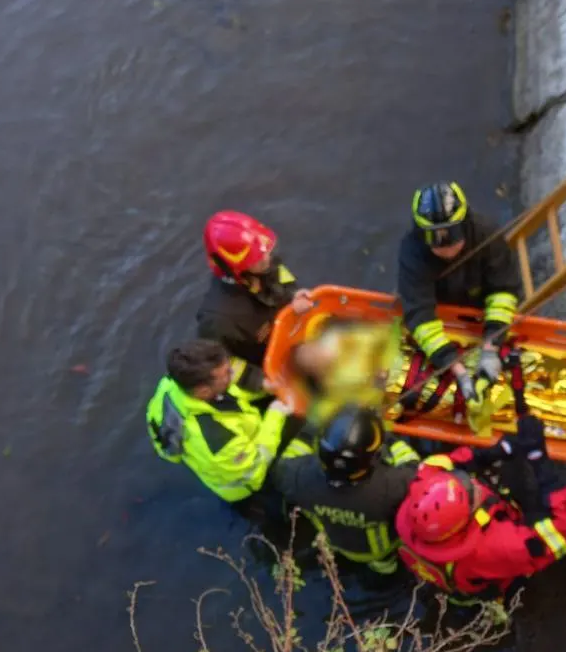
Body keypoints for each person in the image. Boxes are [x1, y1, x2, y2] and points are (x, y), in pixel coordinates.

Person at [394, 414, 566, 604]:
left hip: (448, 570)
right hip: (483, 574)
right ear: (467, 519)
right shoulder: (491, 549)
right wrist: (540, 462)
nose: (472, 482)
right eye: (471, 491)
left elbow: (437, 464)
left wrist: (493, 453)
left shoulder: (422, 496)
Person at [396, 182, 520, 405]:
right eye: (435, 239)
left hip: (479, 308)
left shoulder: (486, 236)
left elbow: (503, 290)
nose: (445, 247)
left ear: (465, 223)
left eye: (452, 235)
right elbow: (420, 316)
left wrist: (491, 347)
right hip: (438, 310)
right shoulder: (413, 252)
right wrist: (457, 369)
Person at [273, 405, 420, 575]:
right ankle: (384, 568)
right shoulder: (389, 486)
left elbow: (284, 464)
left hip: (335, 539)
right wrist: (388, 437)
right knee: (385, 568)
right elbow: (413, 467)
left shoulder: (300, 477)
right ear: (372, 457)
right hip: (378, 551)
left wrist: (311, 428)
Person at [146, 339, 293, 508]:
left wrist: (262, 389)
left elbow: (229, 393)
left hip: (231, 443)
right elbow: (256, 467)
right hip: (246, 483)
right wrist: (276, 415)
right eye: (227, 373)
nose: (232, 373)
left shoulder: (173, 384)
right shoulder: (217, 439)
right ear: (204, 391)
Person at [196, 210, 313, 392]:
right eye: (257, 258)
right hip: (265, 367)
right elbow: (221, 362)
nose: (267, 258)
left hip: (287, 336)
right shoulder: (219, 320)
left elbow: (283, 278)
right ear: (237, 269)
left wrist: (293, 296)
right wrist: (262, 382)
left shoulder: (263, 264)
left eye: (264, 252)